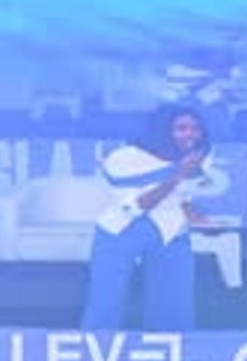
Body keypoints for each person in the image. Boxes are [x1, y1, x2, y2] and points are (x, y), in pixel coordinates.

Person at [80, 105, 213, 331]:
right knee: (107, 300)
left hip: (172, 231)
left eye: (195, 128)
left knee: (174, 302)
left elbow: (183, 198)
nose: (190, 134)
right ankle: (98, 346)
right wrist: (177, 175)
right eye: (181, 128)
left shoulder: (197, 157)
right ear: (163, 130)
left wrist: (201, 220)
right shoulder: (126, 159)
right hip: (122, 229)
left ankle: (171, 347)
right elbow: (140, 205)